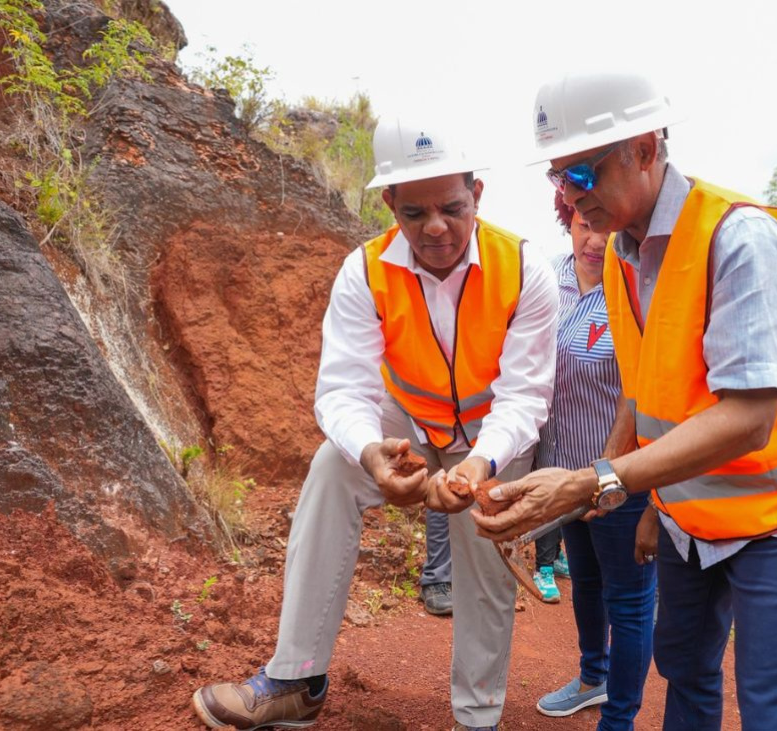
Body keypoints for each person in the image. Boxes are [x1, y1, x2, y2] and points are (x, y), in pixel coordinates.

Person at [476, 70, 777, 731]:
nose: (569, 194)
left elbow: (748, 418)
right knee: (684, 669)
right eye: (557, 177)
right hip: (687, 515)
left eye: (582, 172)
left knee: (772, 707)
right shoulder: (625, 252)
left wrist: (597, 478)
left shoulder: (740, 240)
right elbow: (643, 387)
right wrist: (625, 491)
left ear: (644, 149)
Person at [191, 118, 557, 731]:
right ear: (390, 203)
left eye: (452, 208)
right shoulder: (363, 271)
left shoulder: (525, 269)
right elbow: (343, 388)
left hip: (492, 431)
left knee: (485, 547)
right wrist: (370, 454)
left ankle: (478, 717)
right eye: (415, 212)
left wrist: (477, 465)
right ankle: (296, 679)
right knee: (331, 469)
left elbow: (524, 396)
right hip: (407, 423)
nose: (435, 227)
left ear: (477, 194)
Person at [532, 191, 657, 728]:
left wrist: (606, 475)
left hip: (620, 478)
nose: (595, 240)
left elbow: (642, 388)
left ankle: (619, 718)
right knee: (584, 581)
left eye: (604, 228)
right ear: (568, 222)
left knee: (628, 600)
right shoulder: (545, 282)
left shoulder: (634, 289)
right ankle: (592, 678)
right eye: (583, 225)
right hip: (561, 471)